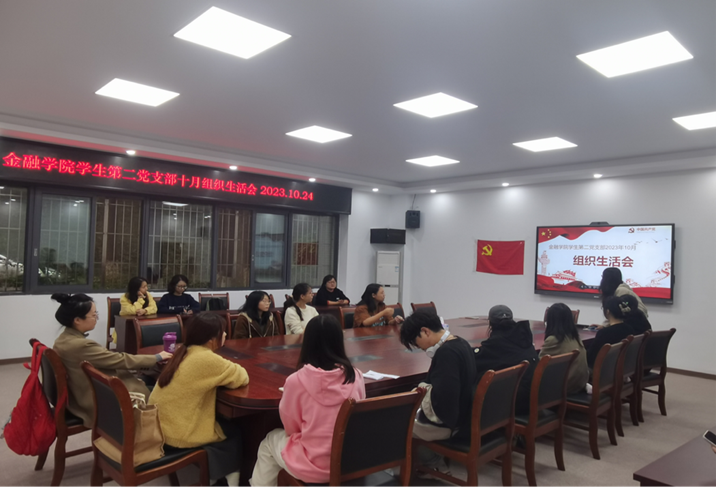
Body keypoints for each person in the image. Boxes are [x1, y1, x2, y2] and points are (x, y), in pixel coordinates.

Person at [249, 315, 365, 487]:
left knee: (269, 442)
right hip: (350, 462)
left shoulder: (296, 381)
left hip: (313, 467)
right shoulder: (356, 376)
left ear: (307, 342)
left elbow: (291, 428)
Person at [149, 313, 248, 487]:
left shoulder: (184, 351)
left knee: (223, 425)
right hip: (177, 434)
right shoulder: (205, 358)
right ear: (211, 339)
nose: (225, 334)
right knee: (235, 432)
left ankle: (215, 475)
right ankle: (229, 478)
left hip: (159, 428)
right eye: (223, 332)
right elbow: (242, 377)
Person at [51, 293, 171, 428]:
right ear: (77, 320)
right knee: (163, 392)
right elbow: (120, 360)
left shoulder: (63, 340)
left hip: (82, 394)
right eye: (94, 315)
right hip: (99, 399)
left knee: (148, 379)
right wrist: (157, 357)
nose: (96, 318)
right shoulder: (80, 345)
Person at [399, 309, 477, 476]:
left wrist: (421, 396)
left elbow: (443, 402)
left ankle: (432, 465)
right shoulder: (461, 343)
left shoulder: (446, 354)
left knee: (398, 422)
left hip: (450, 424)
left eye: (416, 342)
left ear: (425, 331)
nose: (419, 347)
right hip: (465, 416)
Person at [473, 305, 539, 415]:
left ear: (490, 323)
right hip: (534, 396)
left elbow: (477, 361)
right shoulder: (524, 336)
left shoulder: (496, 343)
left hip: (516, 402)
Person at [587, 294, 651, 368]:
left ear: (607, 312)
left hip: (602, 370)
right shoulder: (629, 330)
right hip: (620, 369)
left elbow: (590, 358)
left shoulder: (604, 333)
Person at [540, 303, 589, 394]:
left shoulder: (554, 340)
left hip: (565, 388)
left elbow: (538, 366)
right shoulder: (576, 337)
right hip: (579, 384)